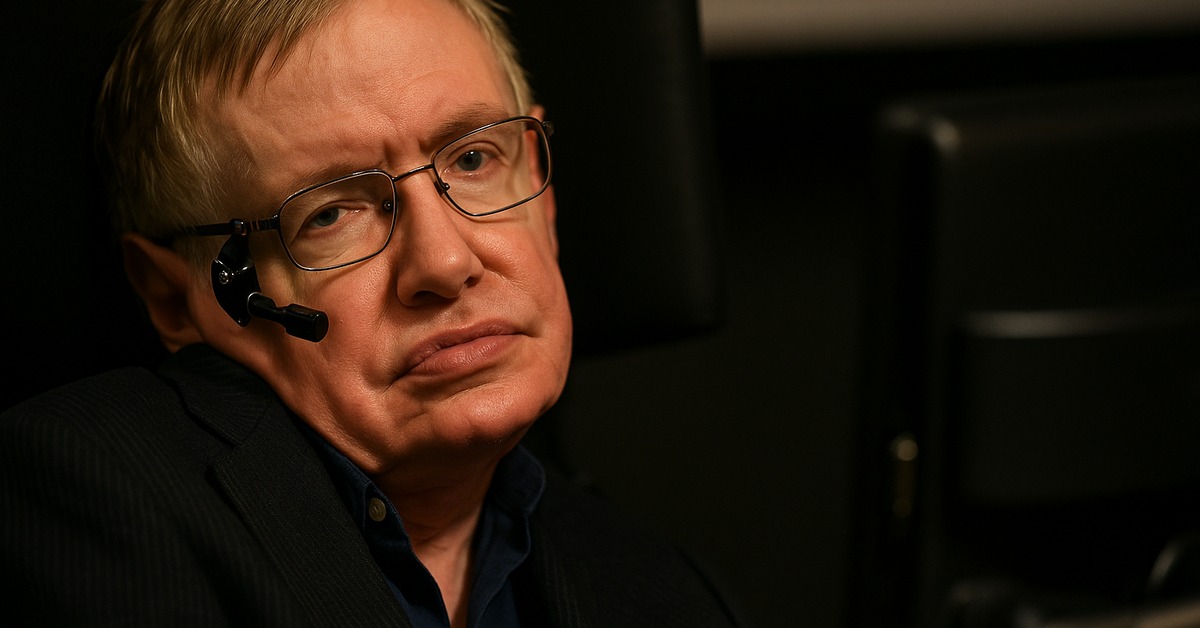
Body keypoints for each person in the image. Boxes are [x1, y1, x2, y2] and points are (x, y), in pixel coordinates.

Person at [0, 0, 743, 626]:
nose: (447, 265)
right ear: (181, 297)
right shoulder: (89, 499)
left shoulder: (668, 591)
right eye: (330, 213)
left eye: (474, 160)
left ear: (542, 194)